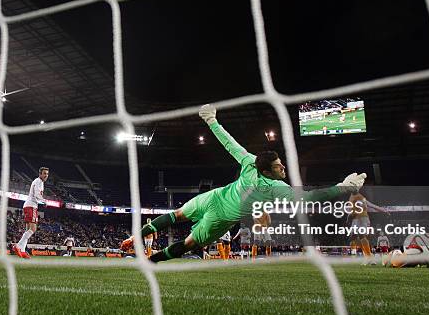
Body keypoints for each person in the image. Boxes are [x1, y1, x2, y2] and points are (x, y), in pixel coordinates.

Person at [120, 104, 366, 262]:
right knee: (176, 215)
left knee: (188, 244)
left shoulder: (278, 188)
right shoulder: (256, 168)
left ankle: (150, 262)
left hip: (221, 219)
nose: (283, 167)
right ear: (267, 169)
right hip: (215, 197)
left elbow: (310, 198)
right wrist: (211, 121)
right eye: (279, 165)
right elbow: (229, 143)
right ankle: (135, 238)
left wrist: (344, 187)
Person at [13, 167, 49, 259]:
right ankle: (17, 246)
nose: (46, 175)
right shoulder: (39, 182)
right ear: (40, 174)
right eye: (44, 173)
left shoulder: (38, 182)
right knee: (33, 229)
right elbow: (37, 195)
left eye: (47, 174)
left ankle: (23, 250)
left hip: (29, 205)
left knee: (28, 229)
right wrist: (44, 201)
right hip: (31, 206)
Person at [346, 190, 389, 262]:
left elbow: (370, 205)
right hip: (355, 220)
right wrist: (349, 217)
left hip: (363, 219)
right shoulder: (351, 197)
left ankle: (369, 256)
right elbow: (350, 210)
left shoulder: (360, 197)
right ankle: (364, 255)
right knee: (353, 237)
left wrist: (383, 210)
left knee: (361, 236)